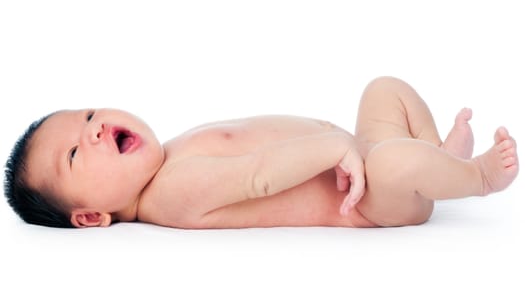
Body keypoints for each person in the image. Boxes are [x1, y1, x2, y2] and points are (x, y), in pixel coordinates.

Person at [4, 77, 519, 229]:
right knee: (392, 163)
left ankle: (436, 158)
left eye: (89, 116)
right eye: (73, 154)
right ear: (91, 216)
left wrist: (346, 146)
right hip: (368, 200)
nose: (93, 131)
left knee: (382, 91)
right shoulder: (170, 196)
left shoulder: (170, 156)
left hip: (356, 156)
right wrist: (337, 146)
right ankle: (475, 178)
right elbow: (259, 177)